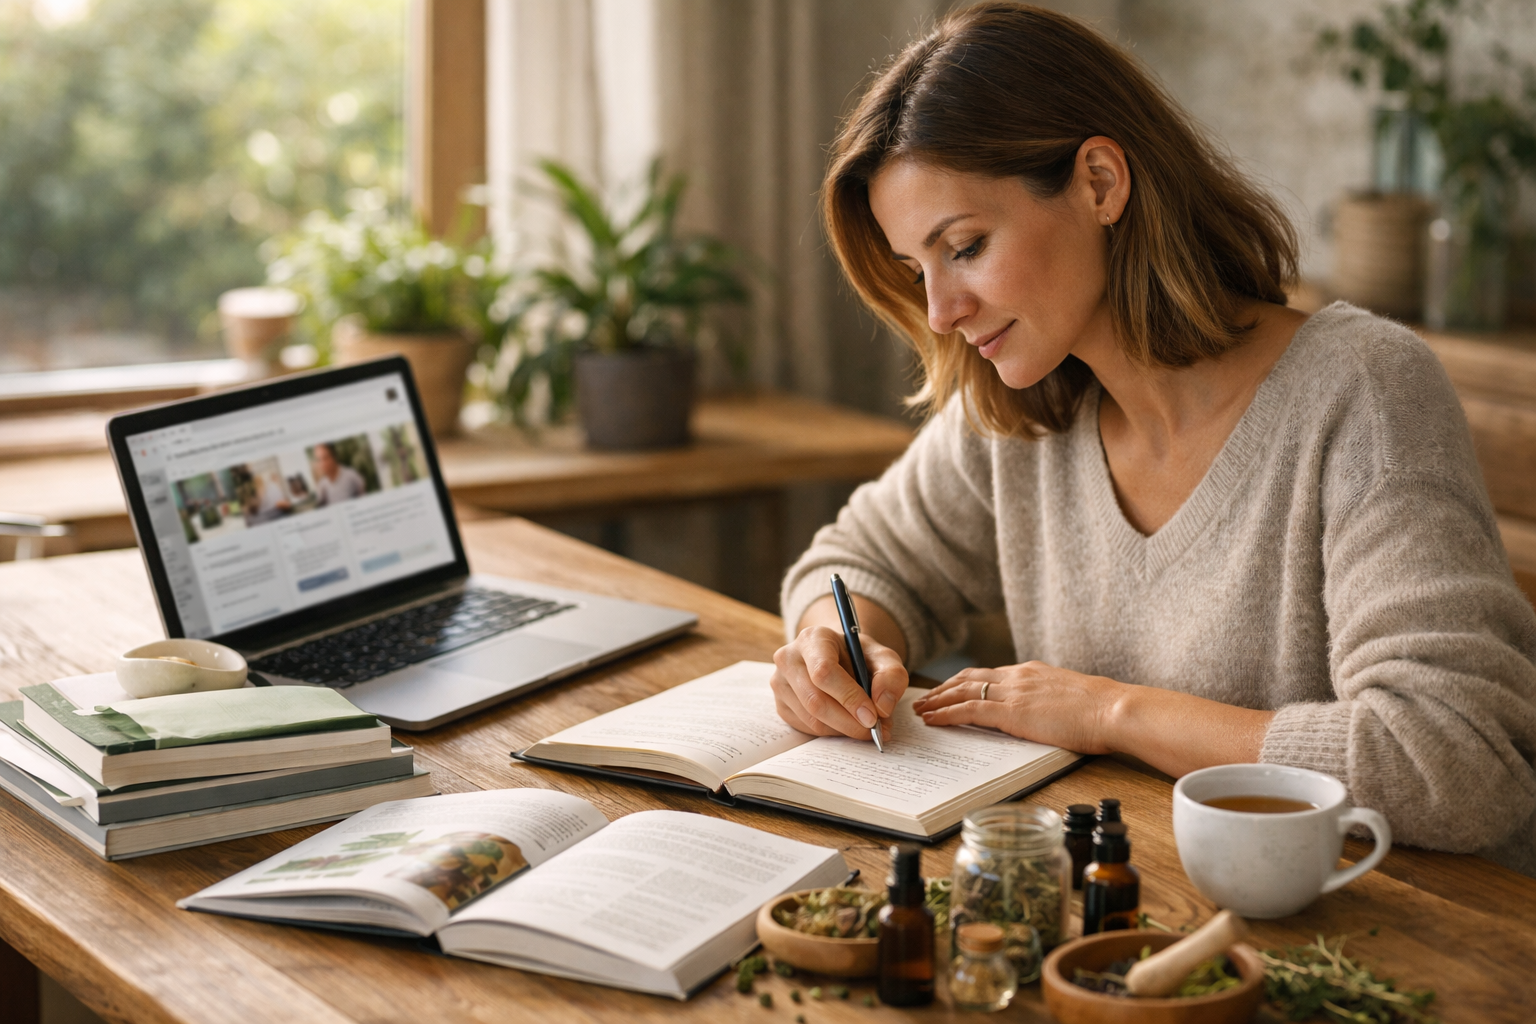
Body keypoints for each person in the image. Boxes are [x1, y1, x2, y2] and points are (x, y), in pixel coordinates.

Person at [772, 2, 1536, 875]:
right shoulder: (1024, 408)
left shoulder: (1361, 391)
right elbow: (857, 560)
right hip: (1145, 901)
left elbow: (1459, 760)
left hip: (1404, 930)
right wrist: (836, 642)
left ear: (1100, 182)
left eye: (968, 246)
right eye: (919, 270)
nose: (942, 313)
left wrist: (1108, 712)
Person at [310, 442, 367, 506]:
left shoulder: (351, 475)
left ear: (333, 457)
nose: (322, 464)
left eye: (325, 458)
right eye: (319, 460)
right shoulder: (322, 485)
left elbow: (363, 497)